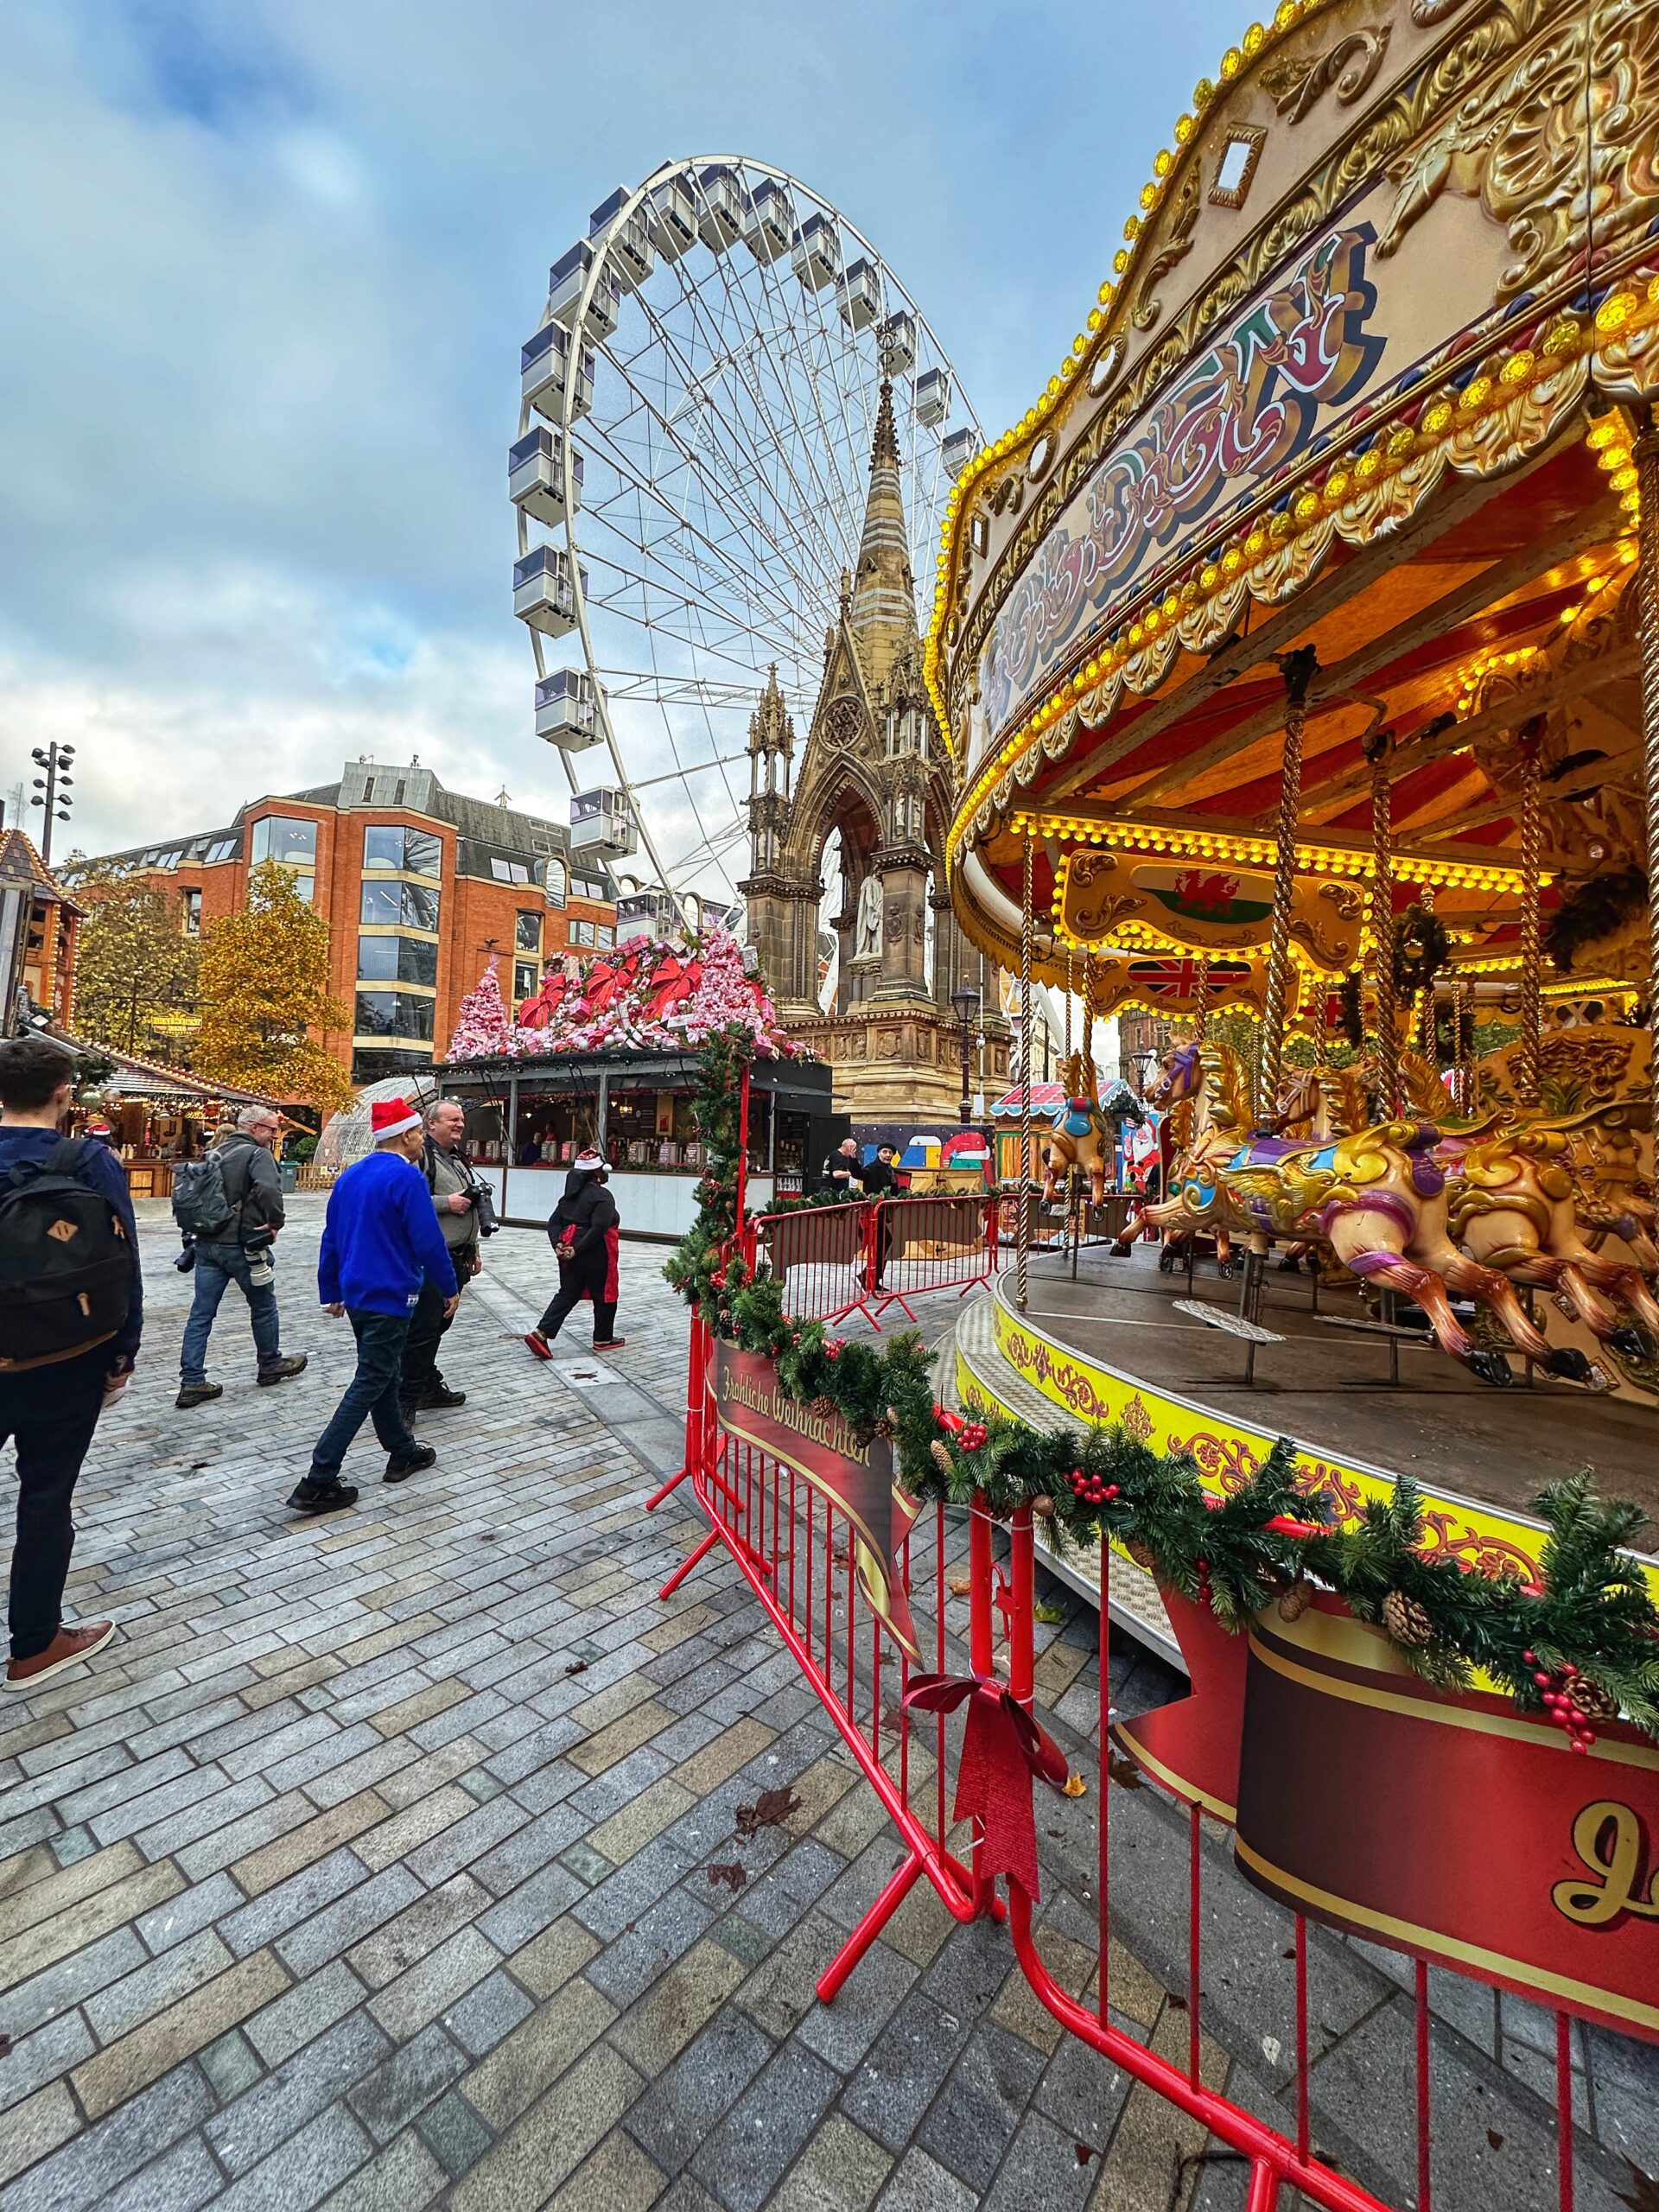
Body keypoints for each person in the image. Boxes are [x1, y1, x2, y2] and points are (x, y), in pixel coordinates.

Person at [0, 1035, 140, 1692]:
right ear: (65, 1094)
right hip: (64, 1356)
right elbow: (122, 1264)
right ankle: (34, 1643)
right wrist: (121, 1354)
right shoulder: (88, 1159)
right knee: (46, 1496)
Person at [289, 1097, 458, 1516]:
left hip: (358, 1291)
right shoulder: (407, 1178)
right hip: (392, 1293)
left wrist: (331, 1287)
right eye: (419, 1132)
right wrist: (449, 1285)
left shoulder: (352, 1176)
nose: (421, 1140)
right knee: (371, 1378)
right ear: (405, 1136)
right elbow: (427, 1240)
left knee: (384, 1371)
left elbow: (332, 1235)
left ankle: (403, 1450)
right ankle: (319, 1477)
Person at [175, 1104, 307, 1408]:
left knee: (201, 1314)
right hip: (243, 1244)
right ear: (253, 1127)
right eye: (271, 1129)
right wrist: (276, 1222)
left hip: (207, 1244)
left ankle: (192, 1381)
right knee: (263, 1305)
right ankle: (270, 1363)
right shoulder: (257, 1155)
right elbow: (269, 1191)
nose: (275, 1135)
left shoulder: (214, 1153)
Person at [399, 1098, 483, 1419]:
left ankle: (424, 1384)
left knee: (438, 1326)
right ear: (431, 1124)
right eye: (452, 1120)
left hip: (457, 1257)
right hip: (433, 1258)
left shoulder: (456, 1159)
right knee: (423, 1329)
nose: (459, 1124)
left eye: (461, 1120)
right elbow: (408, 1199)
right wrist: (445, 1203)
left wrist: (474, 1248)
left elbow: (471, 1204)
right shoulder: (421, 1158)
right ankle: (408, 1397)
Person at [524, 1149, 624, 1356]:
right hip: (595, 1251)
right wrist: (577, 1250)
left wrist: (559, 1245)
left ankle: (541, 1333)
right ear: (597, 1173)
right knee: (604, 1293)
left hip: (569, 1250)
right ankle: (603, 1337)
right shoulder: (602, 1196)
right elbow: (598, 1228)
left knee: (568, 1293)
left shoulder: (568, 1198)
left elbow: (553, 1223)